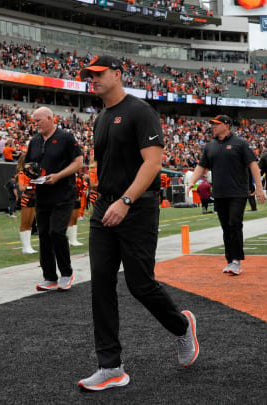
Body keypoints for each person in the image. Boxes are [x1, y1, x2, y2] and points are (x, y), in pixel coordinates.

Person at [79, 55, 198, 391]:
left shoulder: (140, 111)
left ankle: (181, 326)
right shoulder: (100, 118)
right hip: (105, 207)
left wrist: (126, 201)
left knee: (139, 284)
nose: (93, 79)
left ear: (118, 74)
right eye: (90, 75)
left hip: (137, 207)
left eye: (99, 74)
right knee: (101, 283)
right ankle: (110, 366)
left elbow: (153, 163)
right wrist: (101, 196)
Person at [187, 114, 266, 275]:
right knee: (225, 227)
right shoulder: (210, 146)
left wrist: (258, 187)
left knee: (234, 223)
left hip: (238, 192)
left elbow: (253, 165)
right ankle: (230, 260)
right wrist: (191, 182)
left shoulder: (240, 144)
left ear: (226, 125)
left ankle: (236, 260)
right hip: (220, 193)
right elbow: (202, 166)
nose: (213, 127)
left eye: (216, 124)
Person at [25, 107, 83, 291]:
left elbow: (78, 162)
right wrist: (29, 170)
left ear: (50, 118)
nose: (36, 124)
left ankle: (66, 273)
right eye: (34, 121)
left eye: (39, 120)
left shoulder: (66, 137)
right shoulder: (34, 141)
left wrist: (58, 175)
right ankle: (49, 277)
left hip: (63, 193)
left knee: (57, 232)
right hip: (42, 194)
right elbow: (28, 163)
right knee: (43, 235)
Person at [16, 154, 37, 254]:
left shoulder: (33, 172)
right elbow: (21, 188)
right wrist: (32, 186)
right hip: (27, 198)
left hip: (34, 198)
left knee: (30, 223)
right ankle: (25, 247)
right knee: (25, 223)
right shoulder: (21, 173)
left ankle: (28, 246)